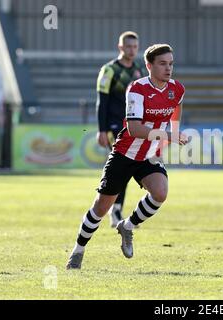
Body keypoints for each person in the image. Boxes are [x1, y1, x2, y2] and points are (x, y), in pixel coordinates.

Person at [67, 44, 187, 269]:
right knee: (101, 208)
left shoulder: (177, 89)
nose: (168, 68)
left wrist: (175, 130)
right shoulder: (137, 89)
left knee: (160, 192)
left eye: (171, 63)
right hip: (124, 154)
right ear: (149, 66)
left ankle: (128, 227)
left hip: (148, 156)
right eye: (162, 64)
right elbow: (134, 129)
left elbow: (176, 106)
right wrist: (168, 134)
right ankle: (78, 250)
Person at [96, 31, 147, 228]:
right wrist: (102, 129)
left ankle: (115, 209)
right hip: (114, 127)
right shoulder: (109, 70)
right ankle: (114, 210)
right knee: (122, 167)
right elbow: (102, 102)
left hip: (132, 128)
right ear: (120, 47)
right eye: (128, 46)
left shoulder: (139, 71)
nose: (132, 50)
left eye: (135, 47)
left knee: (126, 168)